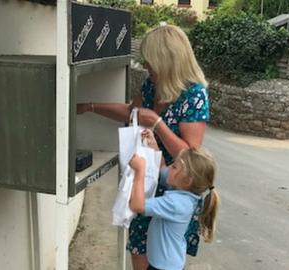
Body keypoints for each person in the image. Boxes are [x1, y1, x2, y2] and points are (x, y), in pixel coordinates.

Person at [77, 24, 209, 269]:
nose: (146, 66)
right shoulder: (152, 85)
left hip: (172, 189)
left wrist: (158, 124)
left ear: (166, 61)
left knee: (163, 259)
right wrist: (90, 107)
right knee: (140, 251)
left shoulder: (194, 95)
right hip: (144, 183)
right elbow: (131, 111)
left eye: (150, 61)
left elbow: (191, 156)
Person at [129, 147, 219, 270]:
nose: (169, 167)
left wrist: (140, 171)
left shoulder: (176, 203)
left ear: (187, 180)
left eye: (174, 167)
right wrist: (154, 145)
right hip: (169, 262)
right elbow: (162, 169)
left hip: (163, 267)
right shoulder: (185, 192)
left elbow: (137, 205)